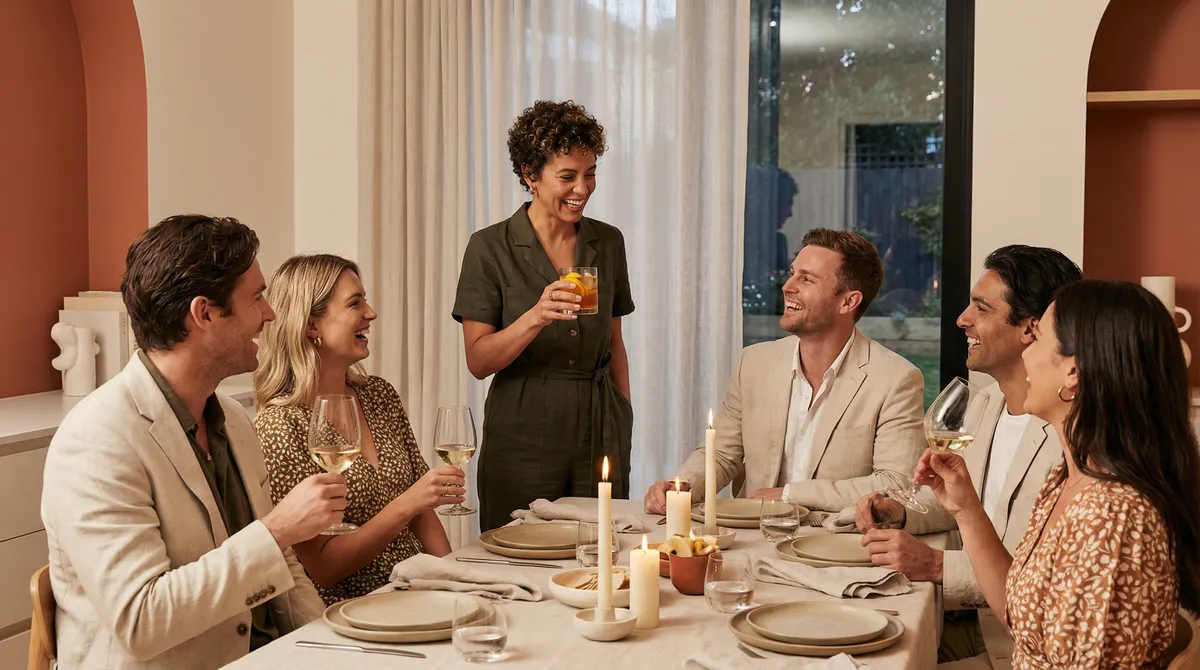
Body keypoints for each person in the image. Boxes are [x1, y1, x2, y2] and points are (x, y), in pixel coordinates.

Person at [41, 215, 335, 669]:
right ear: (204, 313)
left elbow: (282, 568)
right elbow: (142, 622)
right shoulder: (96, 439)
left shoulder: (232, 419)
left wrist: (331, 649)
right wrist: (277, 530)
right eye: (256, 297)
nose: (270, 314)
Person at [922, 279, 1200, 668]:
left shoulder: (1111, 518)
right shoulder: (1069, 479)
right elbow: (1021, 618)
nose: (1026, 353)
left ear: (1073, 371)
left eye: (1037, 339)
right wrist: (965, 507)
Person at [854, 245, 1083, 666]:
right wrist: (900, 513)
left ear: (1031, 329)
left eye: (982, 308)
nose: (962, 319)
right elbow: (966, 506)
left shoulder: (1074, 439)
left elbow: (1042, 585)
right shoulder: (985, 402)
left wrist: (936, 565)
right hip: (965, 620)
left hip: (1011, 645)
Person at [645, 228, 925, 514]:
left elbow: (895, 483)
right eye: (792, 273)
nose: (787, 286)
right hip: (751, 531)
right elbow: (722, 454)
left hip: (834, 536)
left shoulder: (896, 379)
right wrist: (681, 486)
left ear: (848, 302)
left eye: (806, 279)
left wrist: (791, 495)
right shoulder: (753, 362)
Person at [453, 100, 635, 531]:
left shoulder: (608, 242)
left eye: (590, 173)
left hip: (599, 425)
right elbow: (478, 361)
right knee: (518, 546)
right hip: (522, 429)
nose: (582, 188)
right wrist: (535, 316)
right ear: (530, 175)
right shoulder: (489, 247)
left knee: (601, 546)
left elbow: (614, 342)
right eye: (567, 177)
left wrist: (623, 416)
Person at [254, 254, 463, 604]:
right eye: (355, 303)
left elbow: (423, 513)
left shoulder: (378, 394)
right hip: (351, 612)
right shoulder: (280, 425)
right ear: (311, 326)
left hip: (420, 590)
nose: (371, 313)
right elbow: (324, 568)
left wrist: (457, 582)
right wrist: (405, 505)